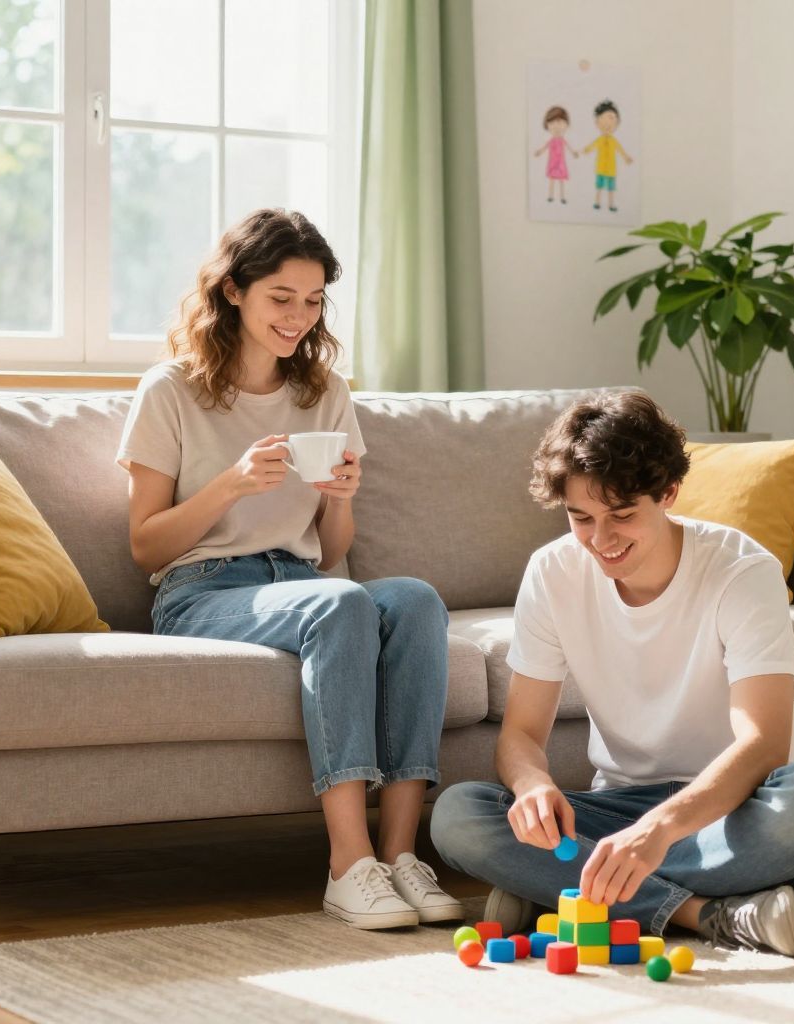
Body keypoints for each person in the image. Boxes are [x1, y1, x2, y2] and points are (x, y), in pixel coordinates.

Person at [117, 208, 462, 931]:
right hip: (201, 589)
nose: (298, 317)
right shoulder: (170, 390)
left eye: (312, 301)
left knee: (417, 601)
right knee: (341, 606)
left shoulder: (324, 393)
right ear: (234, 290)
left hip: (300, 581)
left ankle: (400, 856)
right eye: (282, 298)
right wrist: (231, 486)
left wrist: (340, 499)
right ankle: (348, 864)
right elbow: (147, 545)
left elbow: (331, 552)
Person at [430, 390, 794, 957]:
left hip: (738, 807)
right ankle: (709, 914)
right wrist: (533, 785)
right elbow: (520, 735)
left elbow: (763, 744)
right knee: (460, 814)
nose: (601, 541)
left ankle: (563, 894)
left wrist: (658, 835)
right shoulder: (553, 571)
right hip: (620, 809)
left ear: (669, 493)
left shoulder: (742, 570)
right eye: (580, 517)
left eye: (623, 515)